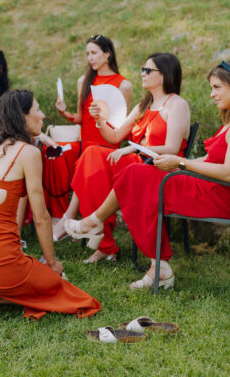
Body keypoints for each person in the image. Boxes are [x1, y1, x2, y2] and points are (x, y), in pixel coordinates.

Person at [66, 60, 230, 290]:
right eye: (212, 88)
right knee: (137, 175)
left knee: (136, 176)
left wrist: (181, 162)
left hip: (217, 196)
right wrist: (180, 165)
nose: (212, 94)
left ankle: (96, 224)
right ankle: (153, 263)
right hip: (208, 188)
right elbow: (211, 160)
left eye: (217, 87)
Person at [0, 90, 101, 322]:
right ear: (22, 117)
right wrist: (52, 264)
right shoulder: (28, 153)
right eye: (37, 110)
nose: (43, 116)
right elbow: (41, 218)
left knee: (29, 271)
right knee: (59, 286)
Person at [57, 53, 190, 263]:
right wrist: (100, 121)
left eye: (148, 70)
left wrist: (133, 149)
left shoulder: (177, 104)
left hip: (159, 167)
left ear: (163, 75)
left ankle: (100, 237)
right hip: (137, 163)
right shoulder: (143, 106)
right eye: (142, 69)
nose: (142, 74)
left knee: (95, 160)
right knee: (90, 156)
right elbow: (116, 135)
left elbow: (172, 148)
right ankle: (104, 241)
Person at [42, 34, 132, 221]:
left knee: (88, 158)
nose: (90, 58)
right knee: (53, 154)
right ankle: (58, 214)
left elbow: (122, 123)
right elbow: (80, 118)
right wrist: (64, 113)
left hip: (106, 145)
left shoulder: (123, 84)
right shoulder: (84, 81)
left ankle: (71, 218)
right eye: (87, 54)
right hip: (83, 143)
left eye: (94, 53)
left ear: (108, 54)